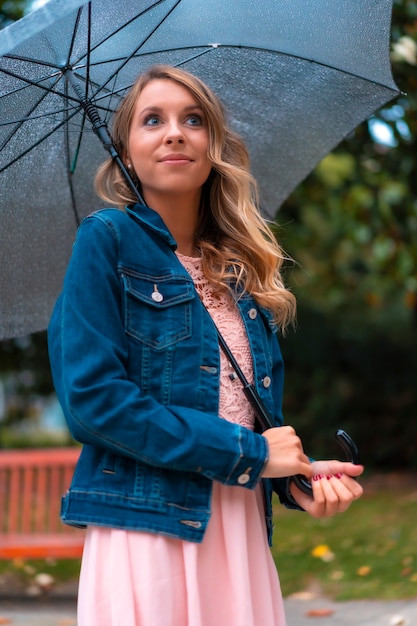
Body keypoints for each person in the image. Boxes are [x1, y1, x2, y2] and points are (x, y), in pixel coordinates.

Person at [48, 64, 364, 626]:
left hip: (238, 520)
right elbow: (94, 403)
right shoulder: (106, 241)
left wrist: (296, 481)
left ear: (213, 143)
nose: (175, 132)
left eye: (192, 119)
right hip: (148, 524)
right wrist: (252, 455)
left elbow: (248, 410)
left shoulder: (239, 267)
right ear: (126, 147)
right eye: (153, 120)